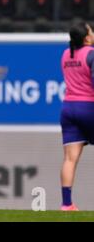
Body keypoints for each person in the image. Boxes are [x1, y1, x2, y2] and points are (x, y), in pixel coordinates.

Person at [60, 21, 94, 211]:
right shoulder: (91, 54)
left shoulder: (66, 55)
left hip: (68, 107)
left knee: (69, 158)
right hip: (88, 106)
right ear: (87, 37)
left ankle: (66, 204)